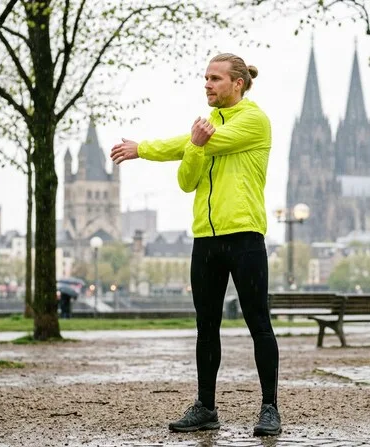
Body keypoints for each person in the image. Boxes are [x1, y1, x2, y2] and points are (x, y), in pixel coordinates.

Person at [110, 53, 280, 437]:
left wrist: (146, 148)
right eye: (205, 78)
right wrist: (195, 146)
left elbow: (200, 142)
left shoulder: (254, 120)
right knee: (206, 327)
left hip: (245, 237)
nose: (207, 84)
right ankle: (206, 407)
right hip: (205, 240)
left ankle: (269, 408)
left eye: (216, 78)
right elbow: (187, 181)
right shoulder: (204, 131)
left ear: (238, 84)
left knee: (258, 323)